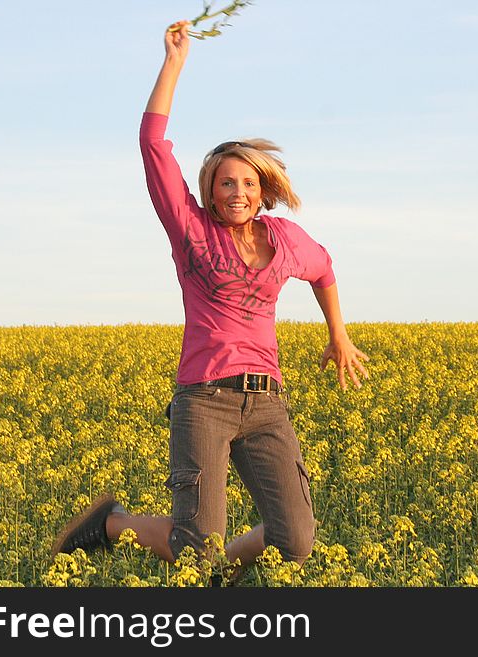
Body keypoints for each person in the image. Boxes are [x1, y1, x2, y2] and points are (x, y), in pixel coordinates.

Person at [51, 20, 369, 577]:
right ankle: (114, 523)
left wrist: (337, 334)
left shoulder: (285, 239)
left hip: (266, 401)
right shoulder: (191, 231)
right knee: (195, 548)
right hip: (204, 399)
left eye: (247, 183)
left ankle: (218, 573)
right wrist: (174, 63)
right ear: (210, 191)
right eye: (226, 183)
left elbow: (325, 270)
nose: (238, 192)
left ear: (262, 189)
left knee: (295, 540)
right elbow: (153, 145)